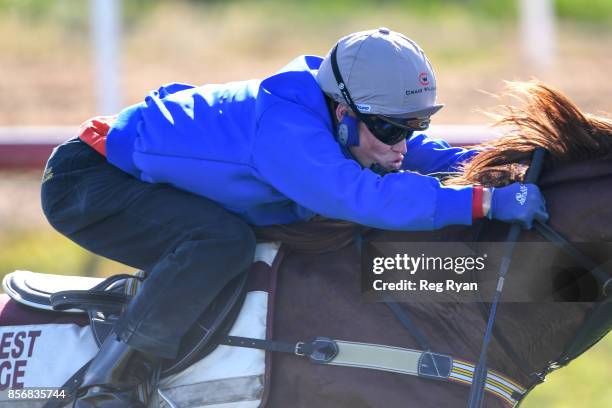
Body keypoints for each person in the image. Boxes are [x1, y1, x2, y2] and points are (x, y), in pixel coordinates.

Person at [40, 27, 548, 407]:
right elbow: (365, 198)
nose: (403, 143)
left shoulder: (341, 109)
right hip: (91, 182)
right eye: (393, 129)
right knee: (220, 242)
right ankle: (111, 382)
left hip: (144, 173)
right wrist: (481, 203)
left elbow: (423, 154)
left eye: (414, 126)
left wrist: (508, 163)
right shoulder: (287, 133)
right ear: (344, 113)